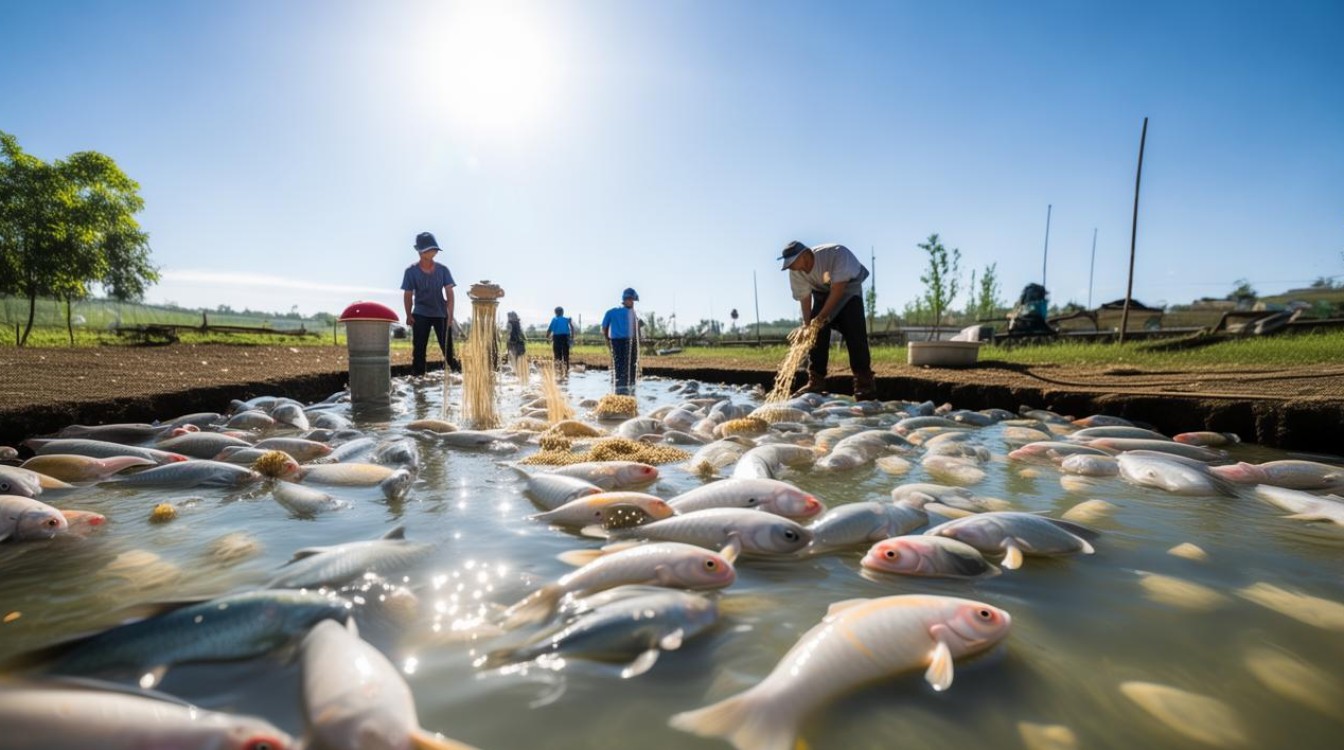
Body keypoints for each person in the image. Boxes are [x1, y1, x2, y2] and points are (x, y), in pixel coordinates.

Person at [778, 240, 876, 400]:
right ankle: (816, 381)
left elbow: (838, 290)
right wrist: (808, 326)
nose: (791, 267)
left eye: (793, 262)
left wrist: (820, 318)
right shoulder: (795, 271)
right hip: (822, 292)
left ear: (805, 255)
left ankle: (864, 383)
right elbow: (805, 298)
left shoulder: (837, 254)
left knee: (854, 331)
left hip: (847, 288)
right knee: (816, 333)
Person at [400, 231, 461, 376]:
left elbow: (450, 294)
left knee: (448, 349)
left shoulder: (443, 270)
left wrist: (450, 315)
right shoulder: (411, 271)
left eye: (435, 249)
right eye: (430, 249)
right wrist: (408, 315)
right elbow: (408, 295)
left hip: (441, 314)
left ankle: (458, 376)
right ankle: (418, 379)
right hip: (420, 314)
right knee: (419, 350)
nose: (434, 252)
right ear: (420, 251)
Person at [601, 287, 640, 395]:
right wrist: (607, 338)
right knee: (625, 367)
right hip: (623, 342)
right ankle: (625, 391)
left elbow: (604, 327)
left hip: (621, 342)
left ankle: (623, 390)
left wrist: (607, 338)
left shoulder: (612, 312)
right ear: (626, 299)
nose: (632, 303)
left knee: (626, 366)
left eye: (633, 301)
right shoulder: (629, 313)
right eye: (631, 300)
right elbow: (636, 328)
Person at [546, 306, 574, 377]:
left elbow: (549, 329)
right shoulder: (566, 319)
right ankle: (566, 372)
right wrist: (572, 337)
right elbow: (572, 328)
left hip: (557, 338)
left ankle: (558, 372)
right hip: (565, 338)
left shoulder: (554, 319)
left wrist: (547, 338)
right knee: (566, 355)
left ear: (555, 313)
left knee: (557, 356)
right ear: (562, 312)